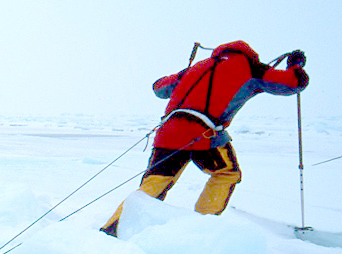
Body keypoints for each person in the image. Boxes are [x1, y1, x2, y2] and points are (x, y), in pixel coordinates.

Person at [101, 40, 308, 237]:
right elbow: (293, 83)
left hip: (167, 133)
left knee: (154, 184)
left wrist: (186, 73)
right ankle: (201, 229)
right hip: (203, 134)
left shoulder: (199, 66)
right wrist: (296, 65)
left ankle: (113, 228)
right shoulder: (253, 69)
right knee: (227, 173)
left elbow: (159, 88)